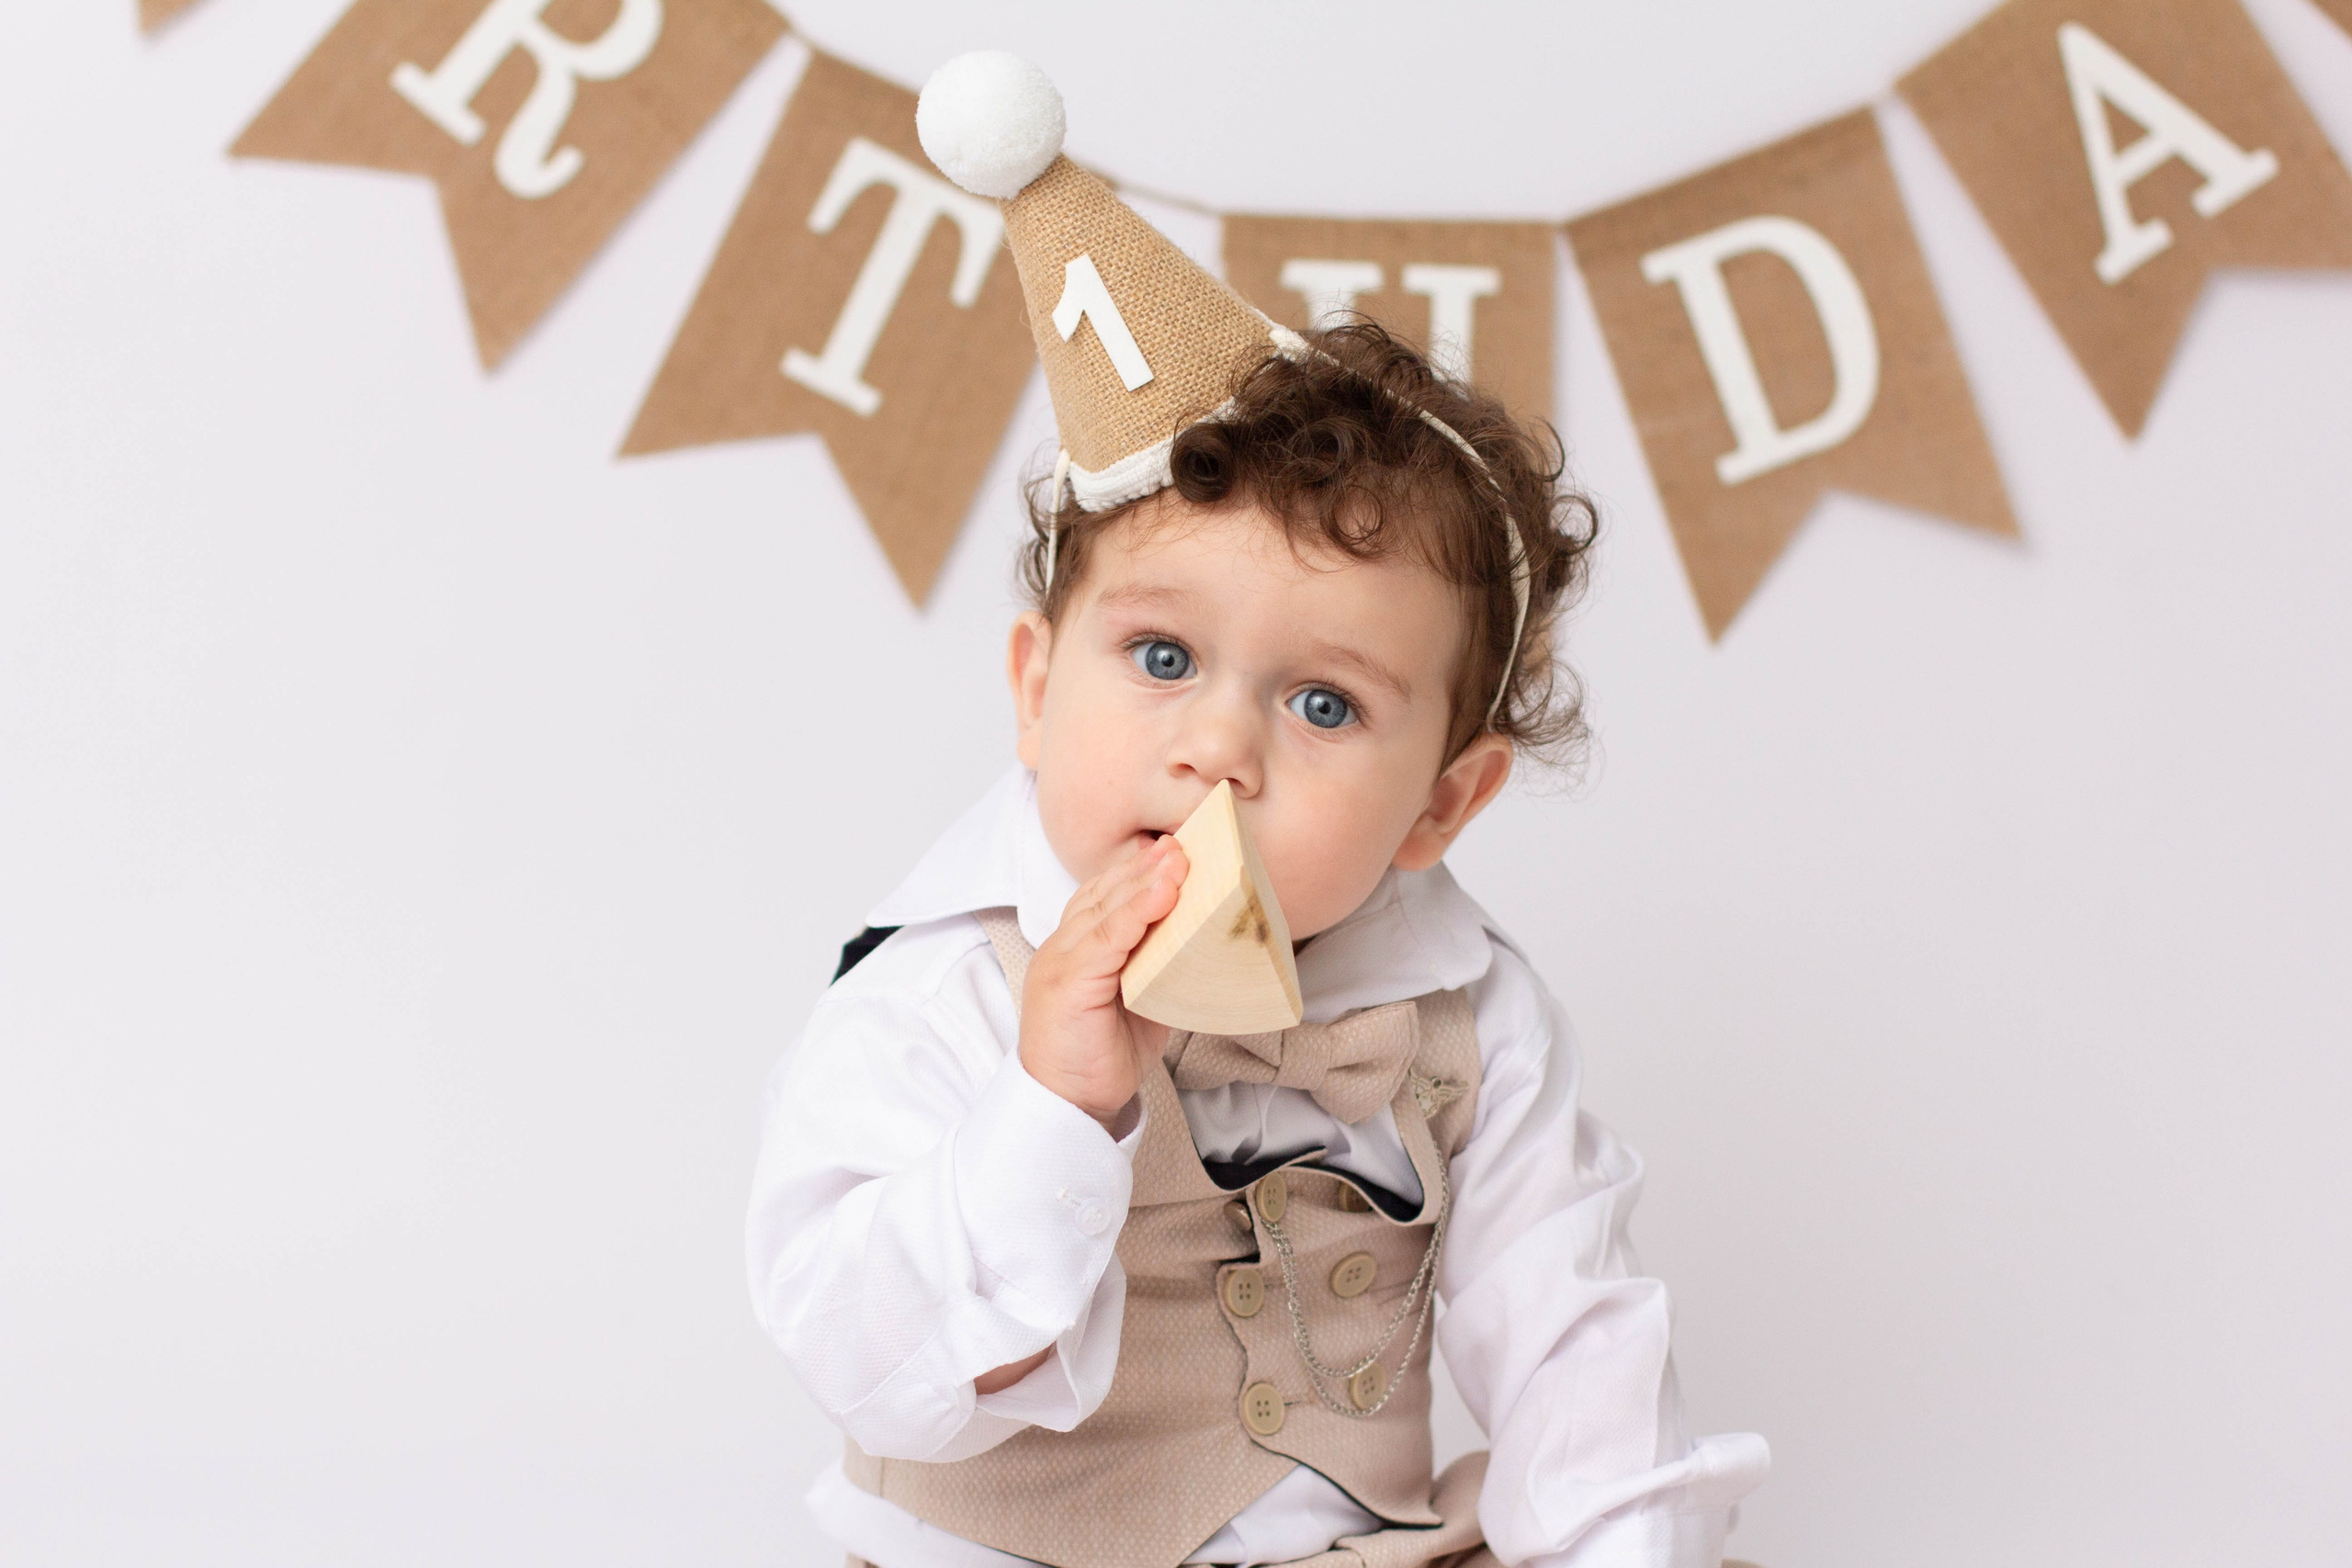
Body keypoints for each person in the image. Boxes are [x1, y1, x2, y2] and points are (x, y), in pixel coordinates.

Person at [746, 51, 1768, 1568]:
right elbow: (879, 1375)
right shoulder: (942, 983)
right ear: (1035, 687)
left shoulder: (1469, 1015)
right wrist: (1056, 1107)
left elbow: (1573, 1348)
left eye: (1324, 704)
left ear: (1443, 804)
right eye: (1161, 658)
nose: (1219, 749)